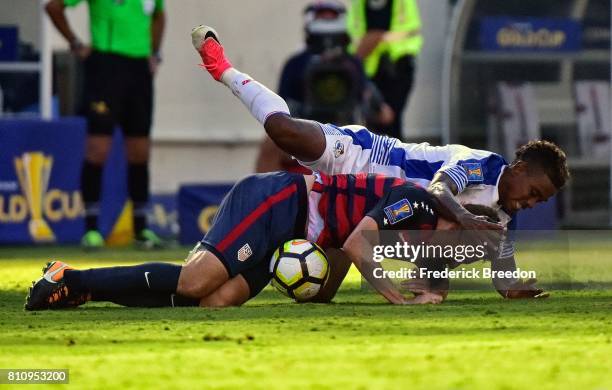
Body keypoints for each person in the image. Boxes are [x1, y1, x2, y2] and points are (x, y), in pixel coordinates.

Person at [190, 25, 570, 299]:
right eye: (534, 192)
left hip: (362, 211)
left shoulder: (501, 222)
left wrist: (511, 287)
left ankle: (215, 275)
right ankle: (223, 69)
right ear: (519, 169)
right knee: (284, 132)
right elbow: (439, 189)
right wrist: (467, 218)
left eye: (541, 202)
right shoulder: (483, 165)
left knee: (319, 293)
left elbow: (471, 264)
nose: (531, 203)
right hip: (366, 158)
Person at [25, 170, 476, 310]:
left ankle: (84, 293)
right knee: (195, 281)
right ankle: (72, 277)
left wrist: (315, 286)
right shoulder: (417, 204)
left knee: (212, 301)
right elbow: (358, 245)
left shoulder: (412, 229)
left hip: (293, 236)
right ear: (455, 223)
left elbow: (341, 248)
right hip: (277, 200)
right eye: (453, 250)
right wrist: (400, 301)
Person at [45, 0, 166, 249]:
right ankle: (91, 230)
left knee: (139, 151)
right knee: (98, 149)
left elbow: (159, 16)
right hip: (105, 67)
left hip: (139, 70)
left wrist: (154, 53)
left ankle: (141, 229)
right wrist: (76, 43)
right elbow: (53, 7)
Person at [256, 0, 393, 174]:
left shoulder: (353, 64)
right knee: (270, 145)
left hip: (348, 134)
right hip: (305, 133)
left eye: (330, 16)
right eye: (323, 16)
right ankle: (263, 198)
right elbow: (281, 112)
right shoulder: (296, 64)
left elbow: (382, 112)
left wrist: (374, 109)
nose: (327, 20)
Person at [346, 0, 423, 140]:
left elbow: (410, 30)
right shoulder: (359, 4)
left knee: (390, 120)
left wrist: (377, 38)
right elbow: (354, 39)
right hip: (368, 70)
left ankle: (394, 158)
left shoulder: (403, 3)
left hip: (397, 69)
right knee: (374, 122)